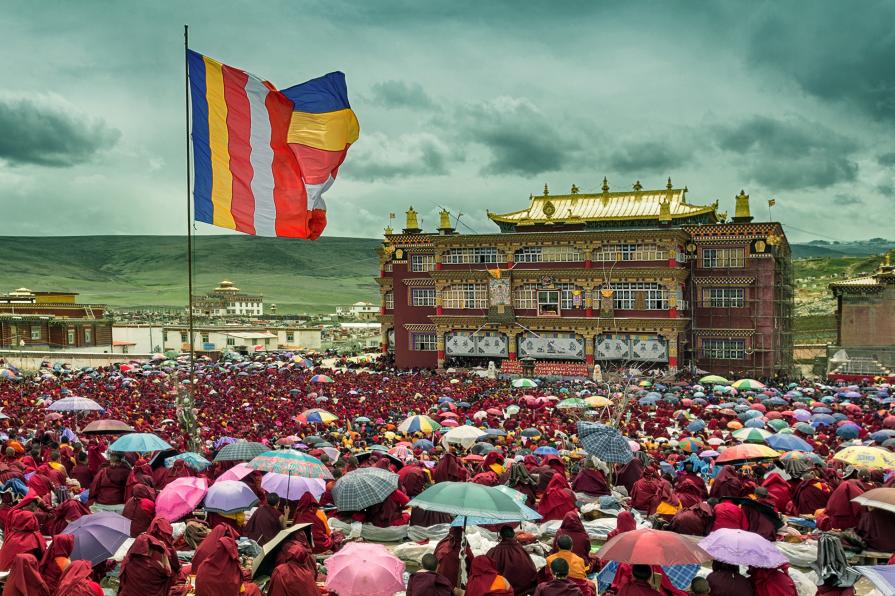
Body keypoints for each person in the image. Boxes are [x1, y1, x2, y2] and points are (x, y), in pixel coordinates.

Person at [487, 525, 538, 596]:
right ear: (513, 535)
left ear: (501, 536)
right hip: (523, 591)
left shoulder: (492, 552)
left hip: (500, 591)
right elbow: (531, 570)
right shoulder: (521, 550)